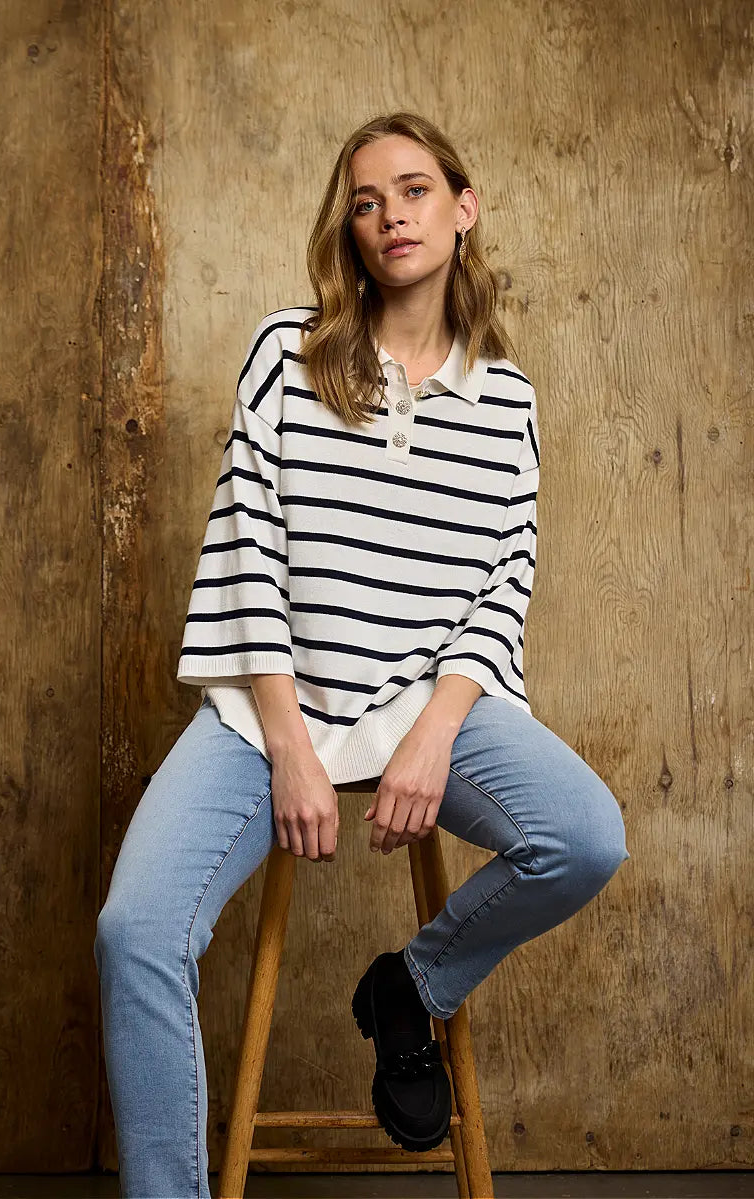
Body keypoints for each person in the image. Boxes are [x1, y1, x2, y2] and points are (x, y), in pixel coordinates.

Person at [94, 110, 631, 1197]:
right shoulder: (286, 353)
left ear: (463, 208)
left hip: (429, 704)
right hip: (270, 710)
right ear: (348, 228)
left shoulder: (507, 398)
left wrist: (435, 734)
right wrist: (289, 743)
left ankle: (411, 987)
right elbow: (246, 549)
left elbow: (503, 579)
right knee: (133, 929)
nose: (391, 216)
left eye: (415, 190)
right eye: (366, 201)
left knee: (583, 836)